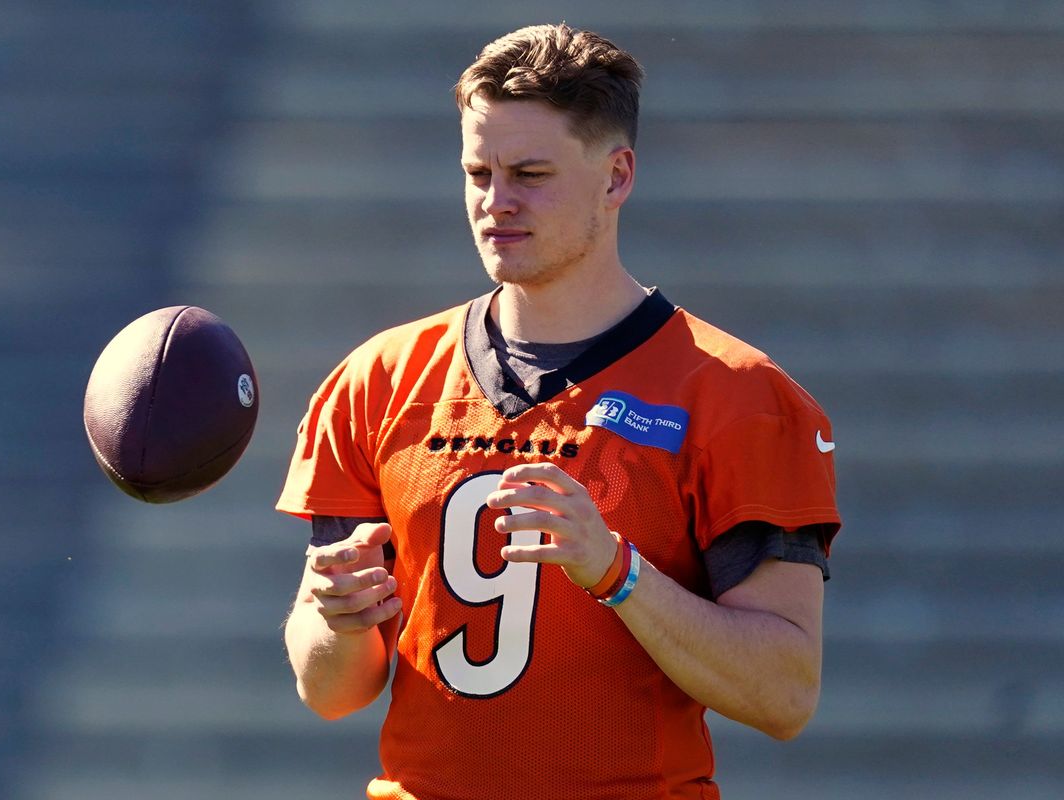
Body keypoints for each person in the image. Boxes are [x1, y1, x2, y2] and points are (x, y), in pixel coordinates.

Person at [277, 23, 840, 800]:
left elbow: (784, 696)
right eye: (478, 172)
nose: (494, 202)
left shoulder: (738, 395)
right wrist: (337, 621)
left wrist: (617, 572)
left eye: (529, 173)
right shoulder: (377, 378)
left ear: (617, 177)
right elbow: (331, 691)